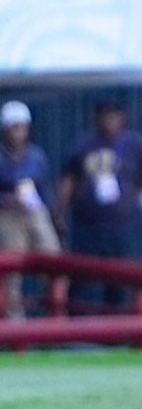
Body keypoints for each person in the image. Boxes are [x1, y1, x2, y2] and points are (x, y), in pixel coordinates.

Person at [57, 99, 142, 313]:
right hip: (87, 225)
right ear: (96, 118)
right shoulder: (83, 146)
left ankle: (113, 332)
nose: (109, 121)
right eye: (104, 116)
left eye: (113, 116)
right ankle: (72, 327)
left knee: (117, 280)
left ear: (122, 118)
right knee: (79, 278)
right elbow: (69, 180)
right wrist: (59, 212)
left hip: (120, 225)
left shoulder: (134, 144)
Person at [0, 101, 61, 318]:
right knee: (11, 273)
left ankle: (57, 320)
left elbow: (45, 188)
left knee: (54, 263)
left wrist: (55, 216)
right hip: (7, 215)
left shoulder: (36, 155)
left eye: (22, 127)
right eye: (13, 127)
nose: (18, 132)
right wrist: (6, 199)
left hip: (35, 212)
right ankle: (16, 327)